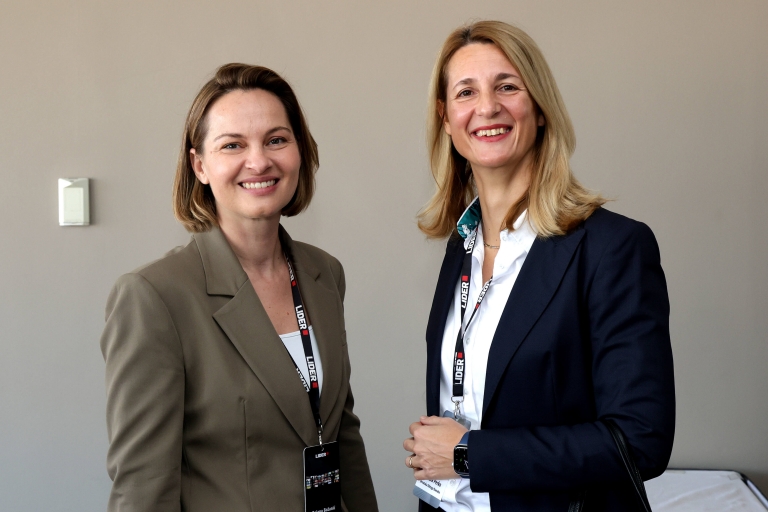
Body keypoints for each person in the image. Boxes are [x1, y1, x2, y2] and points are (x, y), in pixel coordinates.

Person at [403, 21, 675, 511]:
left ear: (541, 107)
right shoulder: (461, 246)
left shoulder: (612, 248)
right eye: (466, 92)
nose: (488, 107)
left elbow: (639, 440)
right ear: (445, 118)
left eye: (508, 86)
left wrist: (469, 454)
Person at [101, 63, 378, 512]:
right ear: (200, 165)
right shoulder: (155, 296)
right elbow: (143, 487)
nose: (259, 161)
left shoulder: (324, 273)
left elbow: (340, 432)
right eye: (233, 145)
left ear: (300, 151)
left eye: (276, 140)